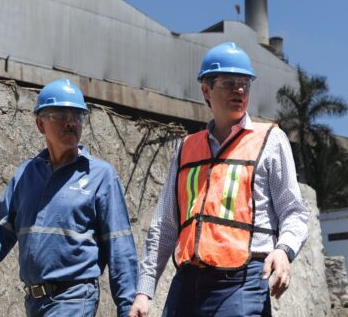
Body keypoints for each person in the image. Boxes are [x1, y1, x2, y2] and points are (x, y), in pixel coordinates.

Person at [128, 42, 309, 317]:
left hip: (242, 283)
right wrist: (144, 291)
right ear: (206, 90)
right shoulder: (187, 148)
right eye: (229, 83)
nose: (240, 90)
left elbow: (293, 211)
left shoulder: (270, 140)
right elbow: (165, 225)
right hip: (187, 285)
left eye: (245, 83)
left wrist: (284, 250)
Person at [0, 79, 138, 317]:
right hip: (34, 302)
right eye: (62, 114)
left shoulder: (100, 176)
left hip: (74, 298)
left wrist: (127, 308)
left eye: (78, 115)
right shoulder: (26, 175)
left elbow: (120, 246)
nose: (71, 122)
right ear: (40, 124)